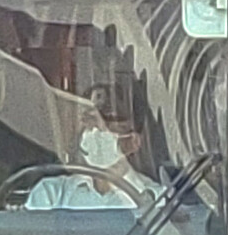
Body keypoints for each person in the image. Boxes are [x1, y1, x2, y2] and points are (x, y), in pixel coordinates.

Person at [22, 88, 164, 211]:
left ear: (133, 140)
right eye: (91, 125)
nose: (98, 134)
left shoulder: (157, 198)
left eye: (110, 126)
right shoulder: (50, 194)